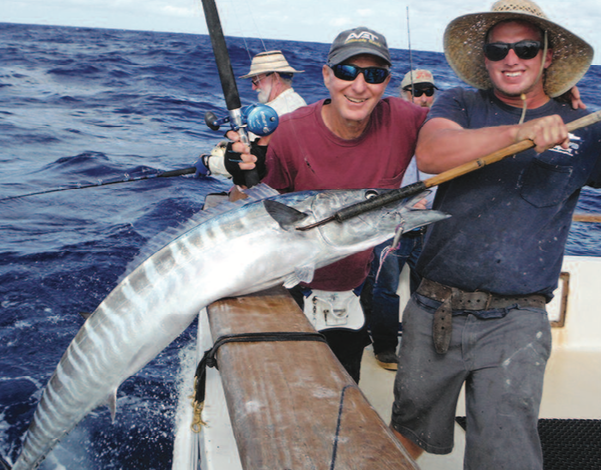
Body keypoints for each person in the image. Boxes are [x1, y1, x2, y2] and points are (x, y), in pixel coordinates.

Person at [390, 1, 599, 469]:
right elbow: (432, 152)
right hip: (433, 311)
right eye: (498, 48)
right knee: (403, 440)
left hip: (517, 323)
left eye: (526, 47)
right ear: (484, 58)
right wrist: (521, 132)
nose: (512, 58)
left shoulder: (586, 126)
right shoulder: (458, 103)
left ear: (548, 56)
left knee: (507, 456)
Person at [224, 26, 429, 383]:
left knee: (343, 387)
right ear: (326, 75)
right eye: (347, 71)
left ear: (387, 82)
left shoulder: (406, 120)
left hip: (353, 288)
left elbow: (462, 128)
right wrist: (239, 177)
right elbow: (244, 208)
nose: (359, 85)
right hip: (288, 289)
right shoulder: (289, 131)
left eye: (374, 74)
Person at [362, 69, 438, 371]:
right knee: (386, 289)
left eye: (428, 91)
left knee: (428, 291)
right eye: (415, 91)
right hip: (392, 227)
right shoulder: (388, 129)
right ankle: (384, 347)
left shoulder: (443, 129)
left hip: (428, 228)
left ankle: (422, 346)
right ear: (402, 94)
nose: (422, 97)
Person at [200, 50, 306, 177]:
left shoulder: (273, 114)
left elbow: (250, 160)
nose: (253, 87)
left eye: (257, 80)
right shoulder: (296, 102)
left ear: (275, 77)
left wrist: (208, 162)